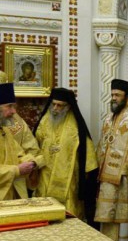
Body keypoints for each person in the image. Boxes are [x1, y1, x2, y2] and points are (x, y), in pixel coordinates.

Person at [95, 79, 128, 241]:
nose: (114, 98)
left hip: (124, 175)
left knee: (123, 213)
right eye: (112, 95)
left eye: (117, 95)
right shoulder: (111, 116)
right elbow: (104, 142)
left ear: (127, 96)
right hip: (107, 173)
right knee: (107, 211)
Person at [33, 87, 98, 218]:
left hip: (68, 179)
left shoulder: (76, 126)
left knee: (67, 216)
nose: (55, 108)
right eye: (53, 104)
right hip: (44, 175)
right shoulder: (44, 121)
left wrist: (88, 175)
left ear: (67, 106)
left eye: (60, 105)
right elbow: (34, 145)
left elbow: (87, 152)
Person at [0, 82, 36, 200]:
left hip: (10, 195)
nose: (14, 111)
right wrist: (17, 170)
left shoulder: (5, 129)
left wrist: (31, 162)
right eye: (9, 106)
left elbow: (19, 154)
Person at [0, 73, 45, 166]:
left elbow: (31, 151)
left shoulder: (12, 122)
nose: (13, 111)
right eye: (9, 106)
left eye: (12, 106)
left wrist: (33, 162)